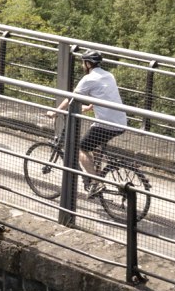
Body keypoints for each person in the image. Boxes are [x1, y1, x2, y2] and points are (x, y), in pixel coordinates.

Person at [54, 50, 127, 190]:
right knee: (93, 145)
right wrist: (89, 107)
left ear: (88, 64)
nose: (82, 65)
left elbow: (71, 97)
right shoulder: (109, 75)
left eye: (83, 62)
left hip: (106, 125)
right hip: (121, 122)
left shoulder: (88, 79)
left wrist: (56, 112)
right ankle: (97, 172)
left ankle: (96, 182)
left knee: (80, 148)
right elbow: (105, 94)